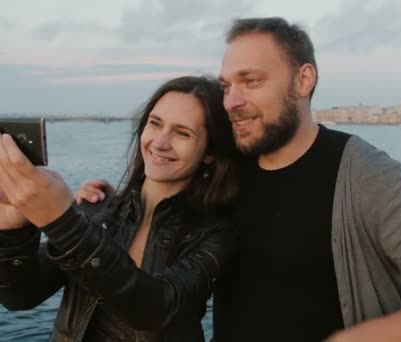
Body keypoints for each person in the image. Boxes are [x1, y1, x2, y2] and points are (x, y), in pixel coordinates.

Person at [77, 17, 401, 342]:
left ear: (304, 80)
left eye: (252, 81)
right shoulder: (228, 173)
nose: (233, 101)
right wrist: (110, 206)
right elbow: (163, 217)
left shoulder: (366, 173)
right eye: (227, 86)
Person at [0, 75, 240, 341]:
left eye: (182, 133)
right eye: (154, 123)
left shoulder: (215, 233)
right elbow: (20, 297)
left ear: (210, 152)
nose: (160, 142)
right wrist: (13, 228)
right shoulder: (98, 209)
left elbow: (153, 308)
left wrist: (61, 221)